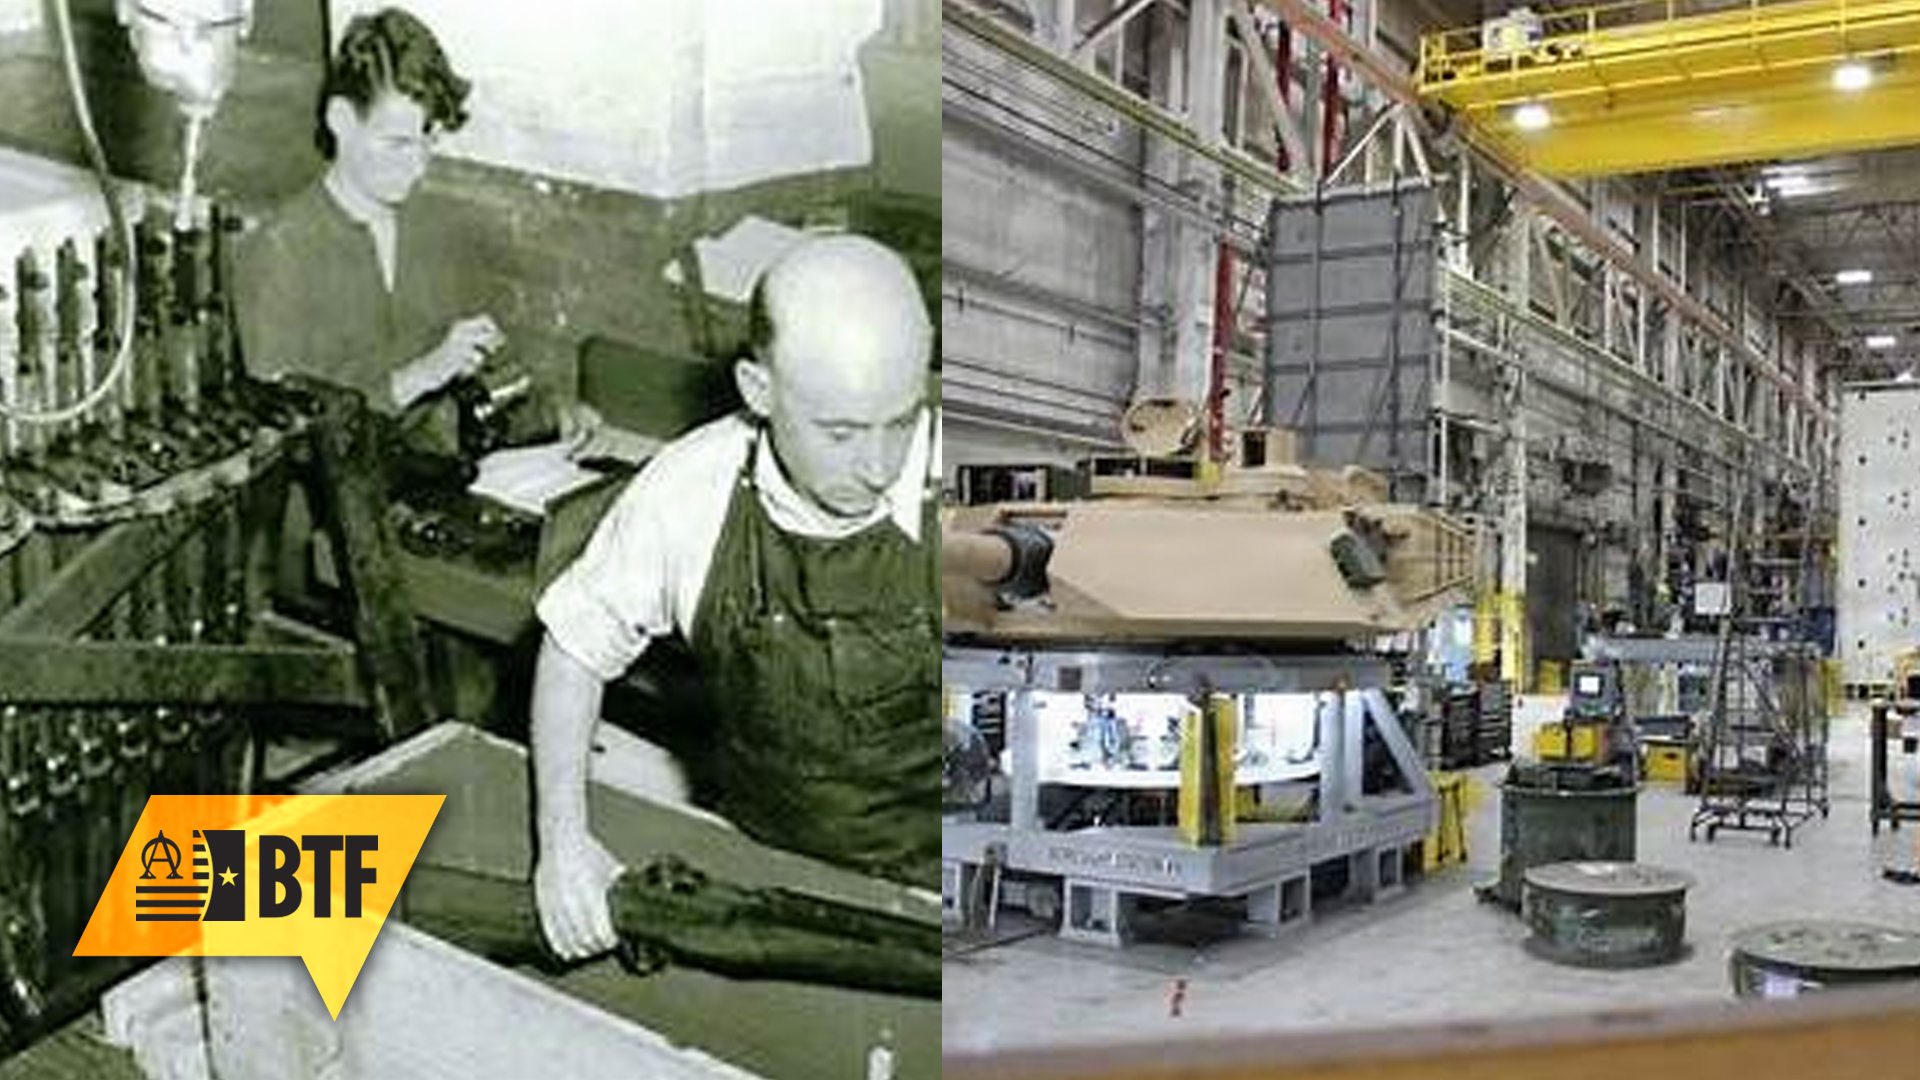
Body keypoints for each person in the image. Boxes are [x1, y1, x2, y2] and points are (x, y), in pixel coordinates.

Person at [529, 235, 939, 960]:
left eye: (902, 422)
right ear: (760, 391)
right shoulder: (692, 491)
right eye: (840, 433)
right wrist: (564, 844)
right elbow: (572, 646)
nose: (878, 467)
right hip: (765, 863)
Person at [235, 7, 501, 413]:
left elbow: (472, 364)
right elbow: (292, 434)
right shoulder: (278, 252)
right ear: (340, 119)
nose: (417, 167)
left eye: (427, 141)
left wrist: (546, 408)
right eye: (397, 143)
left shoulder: (428, 224)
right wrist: (423, 375)